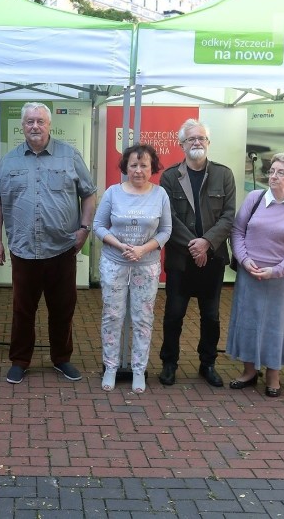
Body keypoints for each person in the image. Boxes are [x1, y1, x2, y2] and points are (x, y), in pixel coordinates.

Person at [0, 102, 97, 385]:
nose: (34, 126)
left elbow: (89, 194)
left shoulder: (70, 155)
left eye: (40, 121)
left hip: (61, 248)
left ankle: (61, 359)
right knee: (22, 310)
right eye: (29, 122)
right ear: (22, 126)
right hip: (24, 249)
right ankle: (20, 360)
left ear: (49, 125)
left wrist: (84, 229)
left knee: (63, 308)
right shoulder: (9, 160)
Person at [226, 152, 284, 397]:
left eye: (281, 172)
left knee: (277, 325)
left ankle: (273, 375)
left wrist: (275, 271)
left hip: (282, 279)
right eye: (272, 171)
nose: (273, 176)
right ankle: (249, 371)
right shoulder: (254, 198)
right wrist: (244, 260)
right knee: (248, 321)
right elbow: (237, 231)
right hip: (250, 274)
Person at [158, 119, 236, 388]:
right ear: (181, 144)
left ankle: (208, 364)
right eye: (191, 139)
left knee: (211, 316)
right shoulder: (169, 177)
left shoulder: (224, 175)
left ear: (208, 143)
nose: (197, 142)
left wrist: (207, 243)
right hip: (181, 259)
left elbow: (228, 216)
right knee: (174, 315)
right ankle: (169, 363)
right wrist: (195, 245)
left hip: (212, 259)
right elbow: (168, 218)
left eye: (201, 138)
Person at [94, 144, 171, 393]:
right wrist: (119, 245)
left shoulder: (160, 194)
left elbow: (166, 230)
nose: (138, 170)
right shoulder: (113, 192)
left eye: (144, 165)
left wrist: (143, 249)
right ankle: (110, 367)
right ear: (126, 167)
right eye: (133, 165)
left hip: (145, 265)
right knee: (112, 316)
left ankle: (139, 370)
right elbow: (98, 225)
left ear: (153, 168)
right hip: (114, 264)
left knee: (142, 318)